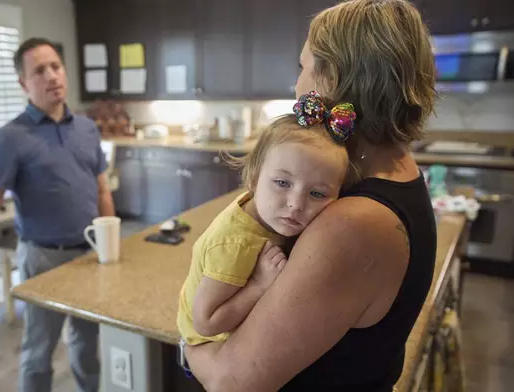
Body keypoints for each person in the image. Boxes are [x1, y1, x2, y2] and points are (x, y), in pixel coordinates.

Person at [183, 0, 438, 391]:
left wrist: (187, 342)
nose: (297, 85)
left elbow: (229, 382)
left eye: (302, 67)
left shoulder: (354, 225)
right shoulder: (398, 172)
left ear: (335, 78)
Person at [0, 37, 114, 392]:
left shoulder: (86, 128)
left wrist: (112, 247)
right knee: (39, 350)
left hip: (90, 254)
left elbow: (102, 190)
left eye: (56, 67)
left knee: (86, 343)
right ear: (23, 83)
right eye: (39, 71)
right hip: (43, 258)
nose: (51, 76)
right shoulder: (9, 137)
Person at [177, 96, 357, 348]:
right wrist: (259, 285)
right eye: (282, 183)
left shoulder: (264, 208)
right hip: (211, 344)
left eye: (317, 194)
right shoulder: (237, 244)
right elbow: (206, 322)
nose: (296, 204)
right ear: (253, 178)